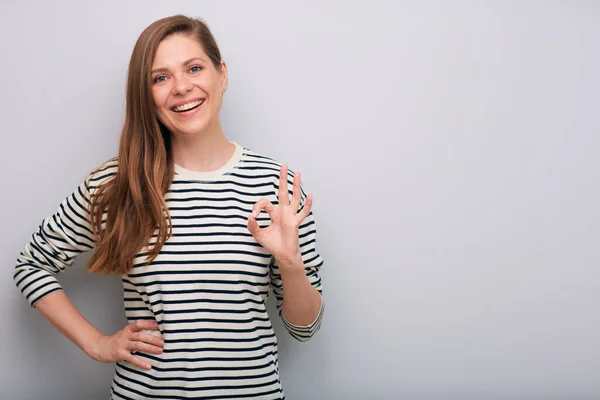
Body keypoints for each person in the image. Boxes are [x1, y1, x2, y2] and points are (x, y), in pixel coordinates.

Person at [13, 15, 324, 400]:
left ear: (221, 75)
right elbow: (31, 264)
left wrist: (290, 262)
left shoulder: (275, 187)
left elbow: (305, 327)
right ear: (146, 95)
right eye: (160, 78)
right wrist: (97, 343)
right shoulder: (117, 185)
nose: (180, 87)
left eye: (194, 68)